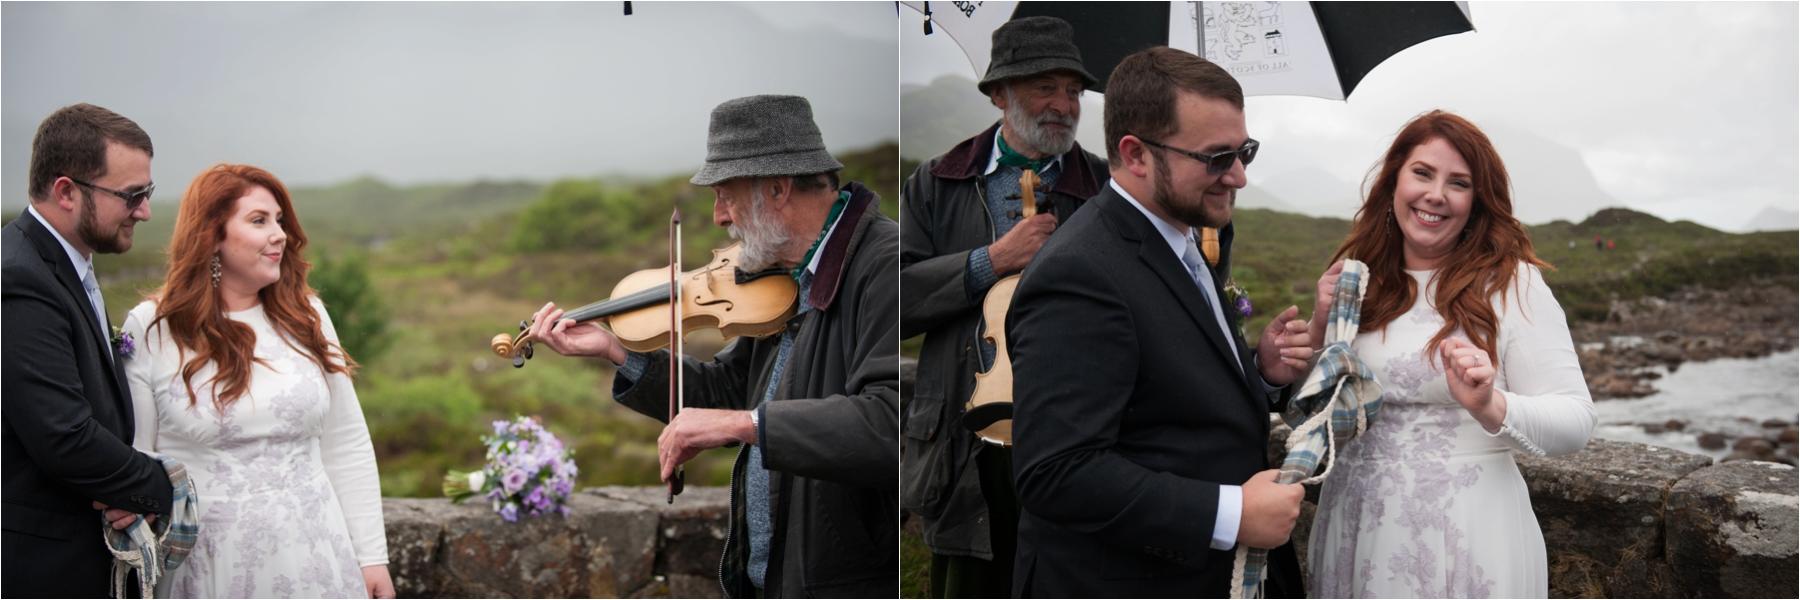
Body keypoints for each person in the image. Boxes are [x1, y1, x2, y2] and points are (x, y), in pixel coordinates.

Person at [525, 95, 899, 598]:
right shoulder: (783, 276)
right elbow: (728, 389)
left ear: (778, 187)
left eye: (726, 194)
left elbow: (890, 422)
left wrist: (746, 424)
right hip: (772, 578)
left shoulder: (883, 266)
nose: (720, 217)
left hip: (843, 579)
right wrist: (616, 350)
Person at [1005, 47, 1313, 597]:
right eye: (1217, 158)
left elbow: (1168, 391)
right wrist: (1230, 512)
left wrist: (1258, 374)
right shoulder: (1080, 273)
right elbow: (1057, 472)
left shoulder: (1181, 233)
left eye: (1244, 151)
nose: (1238, 176)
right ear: (1137, 154)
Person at [1304, 110, 1595, 598]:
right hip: (1354, 522)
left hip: (1466, 531)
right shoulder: (1356, 279)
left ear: (1477, 202)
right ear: (1394, 180)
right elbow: (1319, 413)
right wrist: (1317, 331)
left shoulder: (1510, 284)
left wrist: (1490, 405)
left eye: (1458, 183)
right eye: (1422, 173)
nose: (1435, 194)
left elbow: (1576, 422)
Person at [898, 15, 1109, 598]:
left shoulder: (1107, 187)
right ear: (999, 94)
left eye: (1073, 91)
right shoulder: (935, 183)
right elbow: (891, 302)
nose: (1064, 105)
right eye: (1046, 87)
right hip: (963, 433)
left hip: (1071, 428)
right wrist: (990, 261)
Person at [119, 164, 394, 598]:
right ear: (212, 234)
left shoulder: (307, 315)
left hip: (318, 550)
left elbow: (347, 441)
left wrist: (371, 555)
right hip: (212, 562)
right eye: (259, 220)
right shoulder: (152, 327)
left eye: (280, 221)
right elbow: (138, 452)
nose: (280, 234)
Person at [2, 103, 177, 598]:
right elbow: (64, 435)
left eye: (147, 193)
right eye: (132, 195)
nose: (143, 209)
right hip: (40, 567)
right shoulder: (18, 278)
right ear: (66, 192)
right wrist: (159, 489)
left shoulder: (64, 263)